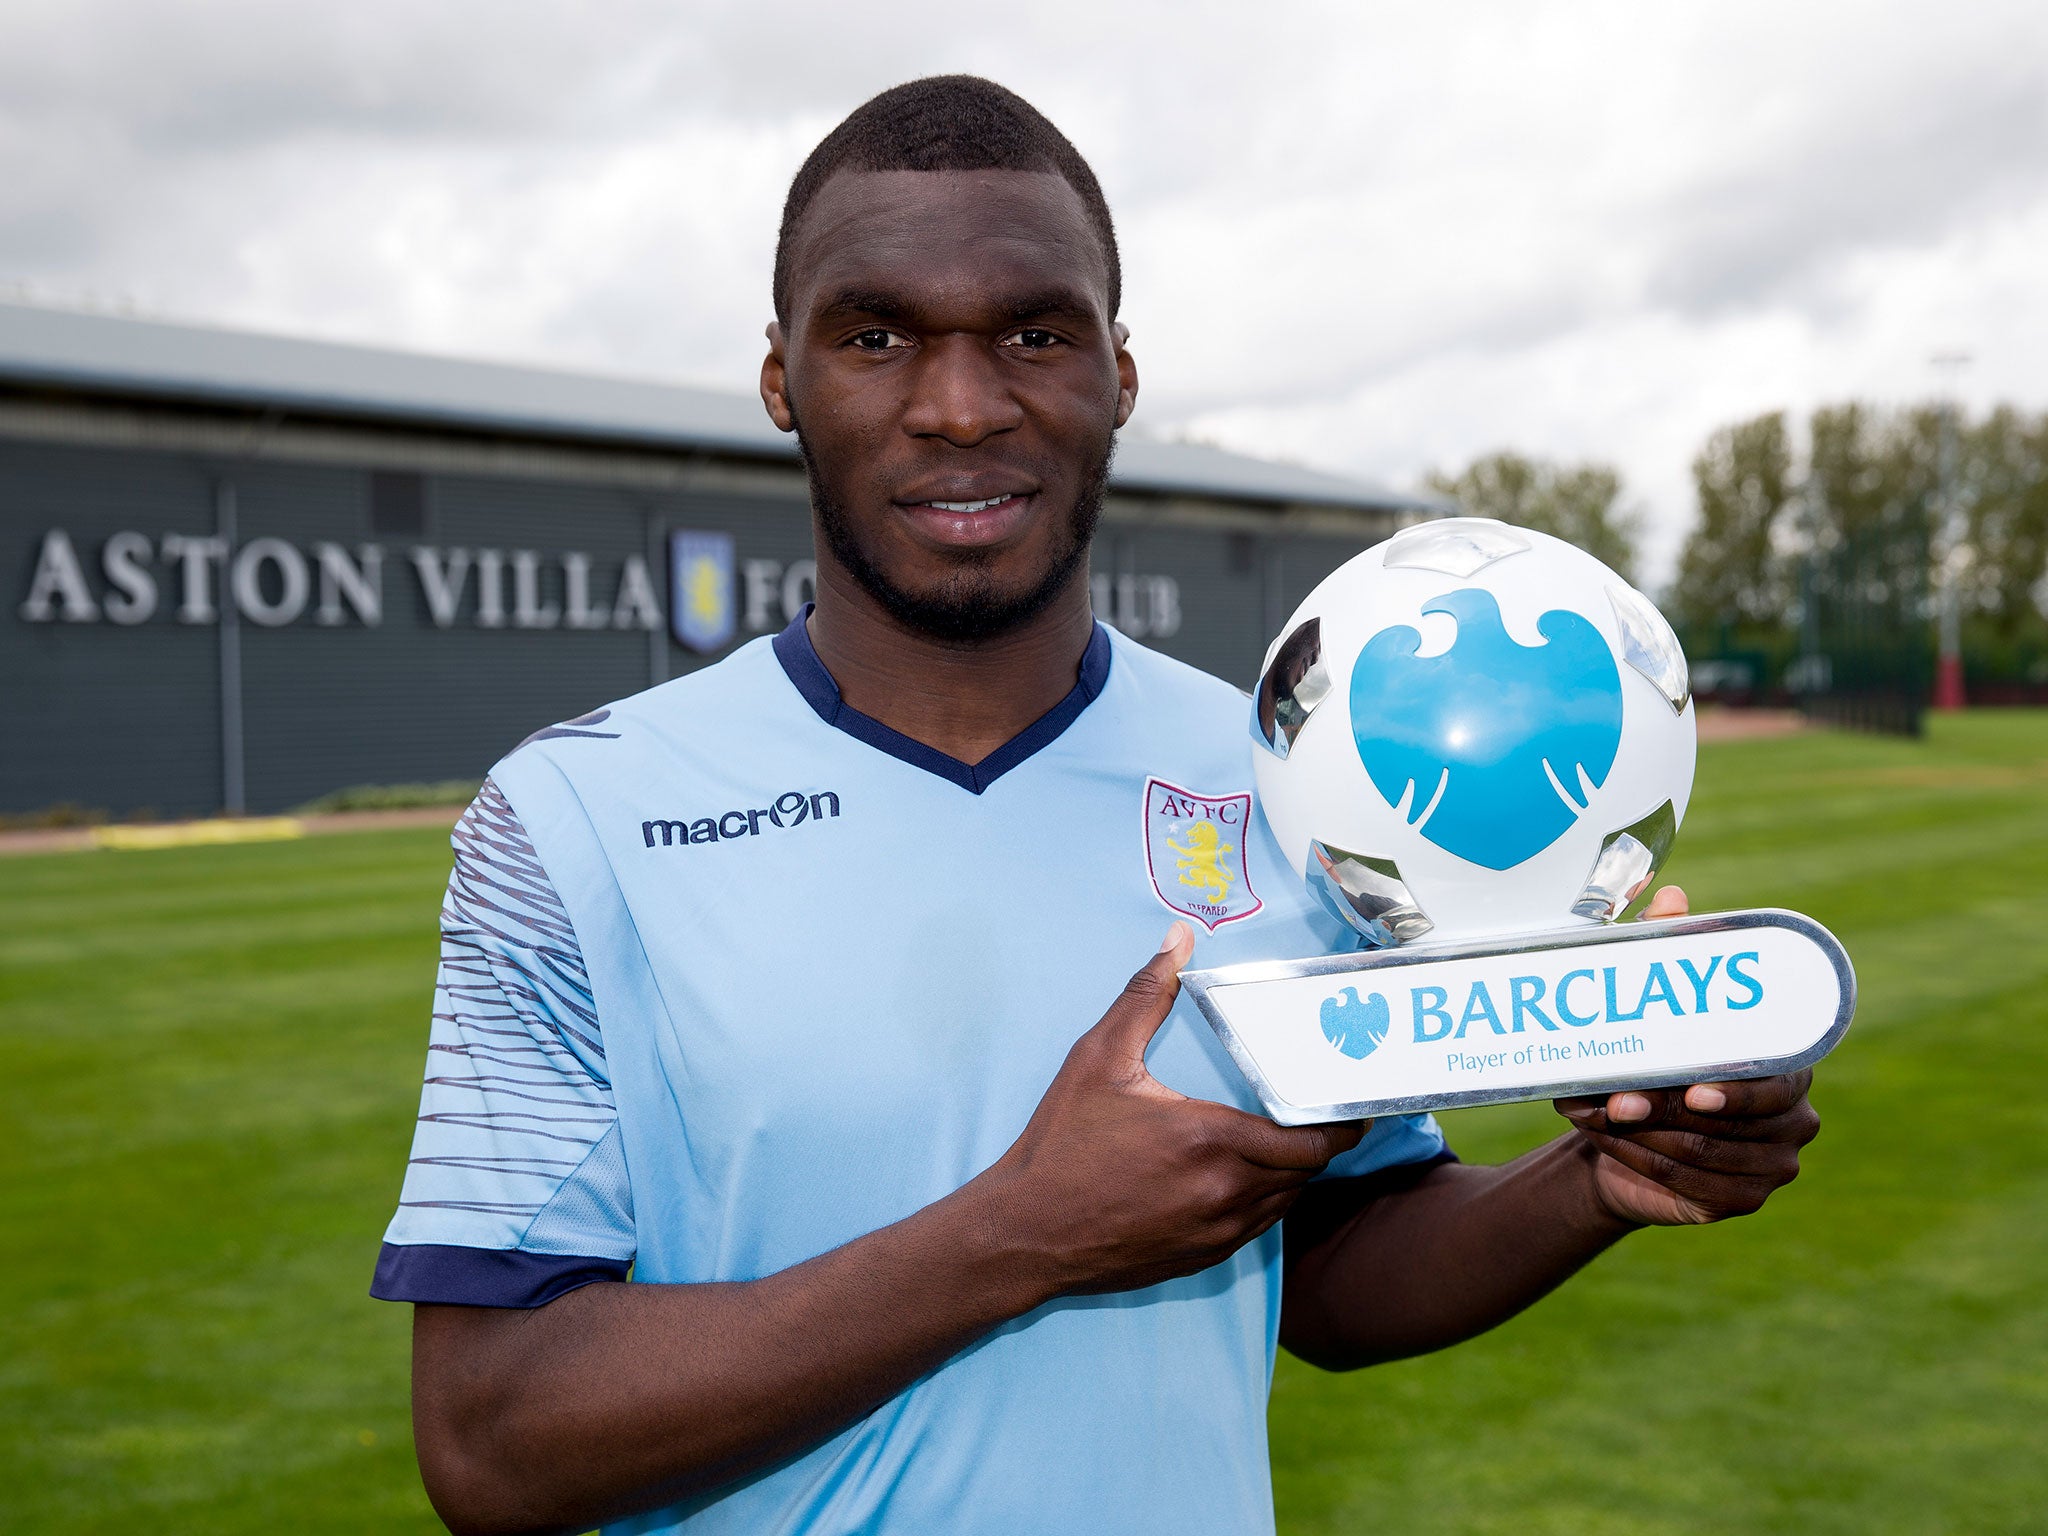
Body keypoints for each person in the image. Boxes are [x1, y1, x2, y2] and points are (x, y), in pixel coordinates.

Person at [371, 76, 1819, 1536]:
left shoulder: (1294, 775)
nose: (960, 404)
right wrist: (1020, 1234)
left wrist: (1595, 1177)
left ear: (1118, 375)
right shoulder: (570, 820)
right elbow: (495, 1440)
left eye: (1033, 333)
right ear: (779, 380)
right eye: (875, 336)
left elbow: (1332, 1259)